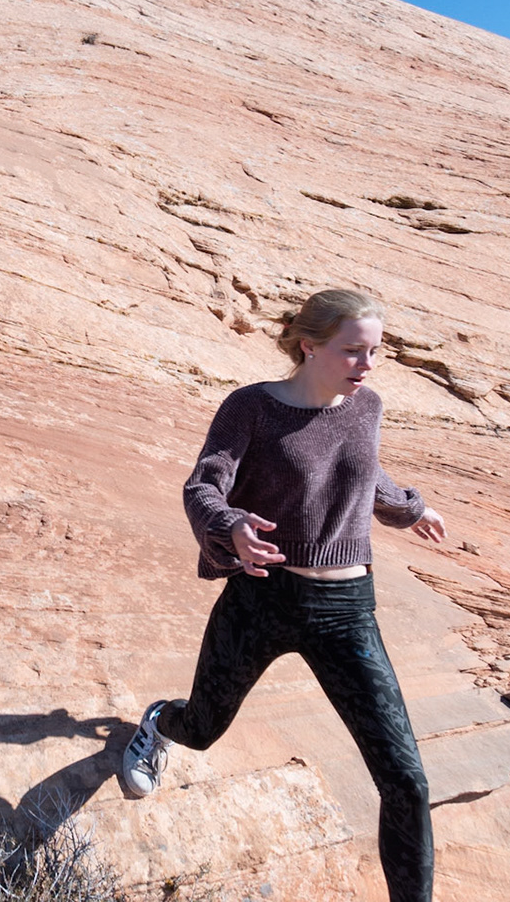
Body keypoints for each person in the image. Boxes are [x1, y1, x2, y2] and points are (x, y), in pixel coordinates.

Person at [118, 288, 445, 902]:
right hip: (262, 600)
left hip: (348, 613)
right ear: (309, 345)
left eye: (374, 352)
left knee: (406, 781)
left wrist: (412, 508)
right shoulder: (252, 409)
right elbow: (204, 485)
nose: (367, 367)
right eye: (353, 352)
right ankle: (160, 723)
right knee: (203, 727)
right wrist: (229, 527)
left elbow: (365, 471)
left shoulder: (366, 407)